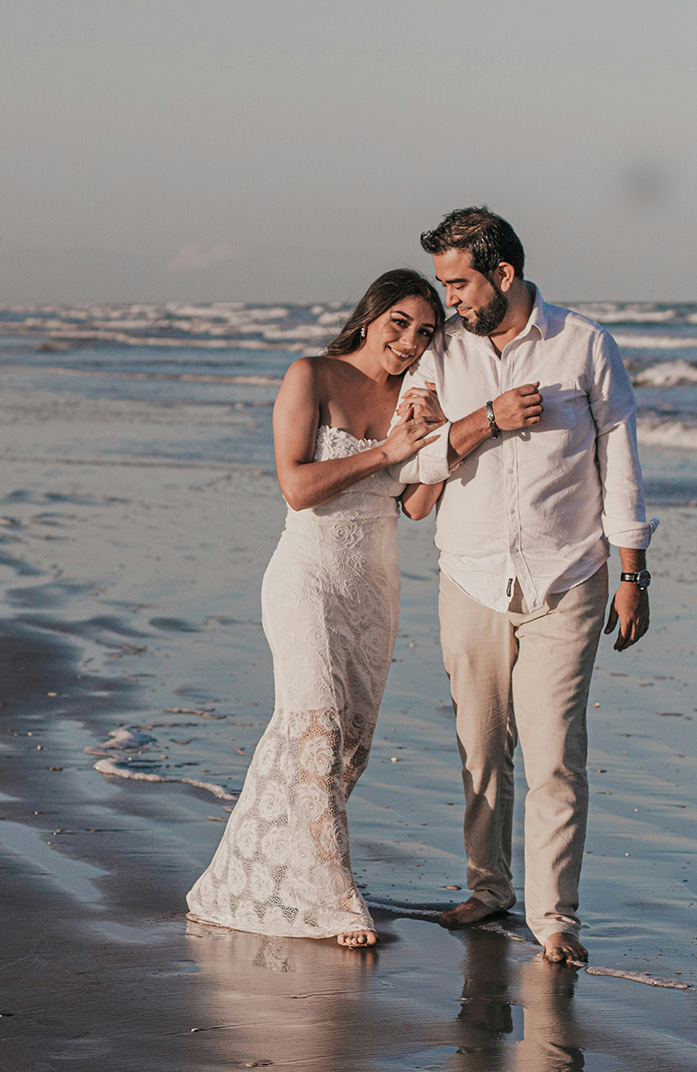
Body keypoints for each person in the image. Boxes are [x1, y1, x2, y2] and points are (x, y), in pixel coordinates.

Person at [396, 207, 657, 965]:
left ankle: (554, 919)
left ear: (502, 274)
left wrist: (633, 571)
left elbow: (622, 462)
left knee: (551, 757)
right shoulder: (442, 353)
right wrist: (485, 419)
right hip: (469, 574)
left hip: (567, 575)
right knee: (479, 747)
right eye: (444, 285)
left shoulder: (583, 344)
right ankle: (488, 890)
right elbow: (412, 463)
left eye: (459, 284)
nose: (450, 301)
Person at [187, 269, 445, 949]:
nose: (409, 341)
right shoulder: (311, 376)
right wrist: (389, 451)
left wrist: (440, 446)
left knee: (347, 746)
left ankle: (236, 883)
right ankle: (336, 899)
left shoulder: (413, 398)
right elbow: (297, 486)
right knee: (317, 724)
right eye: (400, 323)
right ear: (370, 315)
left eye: (424, 332)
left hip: (375, 584)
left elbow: (413, 505)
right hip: (307, 573)